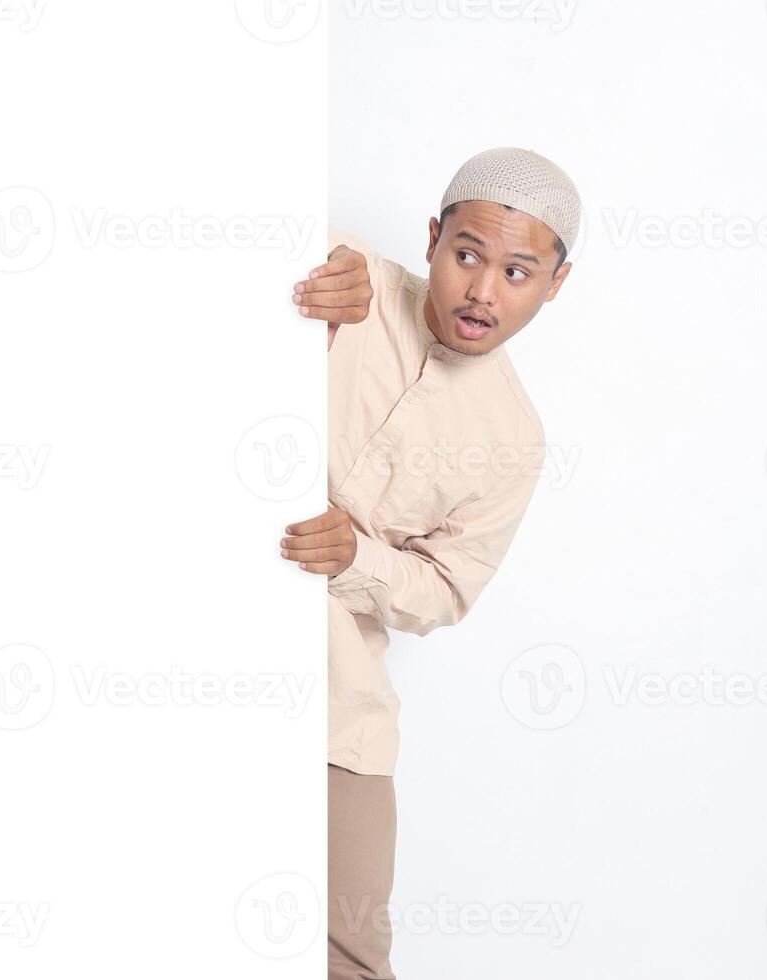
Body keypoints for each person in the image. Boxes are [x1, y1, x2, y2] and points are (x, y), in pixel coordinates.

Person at [280, 147, 580, 978]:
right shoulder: (349, 277)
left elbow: (445, 593)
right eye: (468, 255)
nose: (484, 290)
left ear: (555, 284)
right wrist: (291, 281)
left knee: (351, 952)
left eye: (519, 271)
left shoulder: (513, 442)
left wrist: (356, 558)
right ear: (432, 241)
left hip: (340, 706)